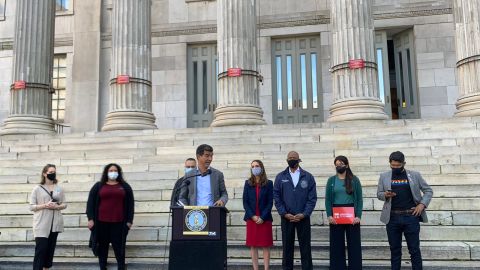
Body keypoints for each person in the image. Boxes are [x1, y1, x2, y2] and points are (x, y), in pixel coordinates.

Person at [377, 151, 433, 270]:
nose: (395, 168)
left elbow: (428, 190)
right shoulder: (384, 176)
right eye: (393, 165)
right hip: (392, 217)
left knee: (414, 249)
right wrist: (385, 195)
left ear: (404, 163)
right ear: (390, 163)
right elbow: (379, 194)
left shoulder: (415, 175)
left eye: (398, 165)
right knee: (395, 250)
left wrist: (422, 204)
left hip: (411, 216)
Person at [273, 151, 317, 270]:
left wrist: (304, 214)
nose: (292, 159)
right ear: (287, 160)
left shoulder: (308, 176)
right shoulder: (280, 177)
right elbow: (276, 197)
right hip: (287, 218)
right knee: (287, 247)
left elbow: (312, 198)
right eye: (290, 158)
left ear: (299, 160)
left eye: (294, 158)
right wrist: (284, 213)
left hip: (303, 218)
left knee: (305, 248)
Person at [86, 163, 134, 270]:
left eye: (115, 170)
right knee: (102, 247)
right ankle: (103, 267)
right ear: (106, 172)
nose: (113, 173)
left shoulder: (125, 186)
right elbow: (90, 203)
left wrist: (129, 221)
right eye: (111, 171)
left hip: (119, 223)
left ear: (119, 172)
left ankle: (121, 267)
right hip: (101, 222)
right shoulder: (98, 186)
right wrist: (90, 219)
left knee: (119, 247)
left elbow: (131, 204)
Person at [325, 156, 363, 270]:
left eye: (341, 164)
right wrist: (329, 215)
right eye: (336, 164)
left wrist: (358, 216)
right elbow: (328, 199)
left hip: (351, 214)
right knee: (336, 245)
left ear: (346, 165)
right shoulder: (331, 180)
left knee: (354, 245)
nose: (338, 166)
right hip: (336, 215)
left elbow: (359, 199)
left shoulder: (354, 180)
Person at [29, 164, 67, 270]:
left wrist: (57, 206)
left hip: (55, 224)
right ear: (44, 174)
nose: (53, 174)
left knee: (50, 250)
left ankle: (47, 268)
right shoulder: (37, 189)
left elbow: (64, 204)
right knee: (41, 250)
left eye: (54, 172)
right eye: (50, 172)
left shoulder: (59, 188)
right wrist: (45, 205)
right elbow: (31, 207)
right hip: (41, 224)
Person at [243, 160, 273, 270]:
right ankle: (255, 268)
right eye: (253, 166)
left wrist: (263, 217)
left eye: (257, 166)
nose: (255, 168)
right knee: (253, 245)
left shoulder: (269, 183)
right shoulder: (248, 183)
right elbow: (245, 202)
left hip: (265, 219)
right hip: (252, 219)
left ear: (262, 167)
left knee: (266, 245)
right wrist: (253, 216)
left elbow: (270, 202)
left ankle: (266, 268)